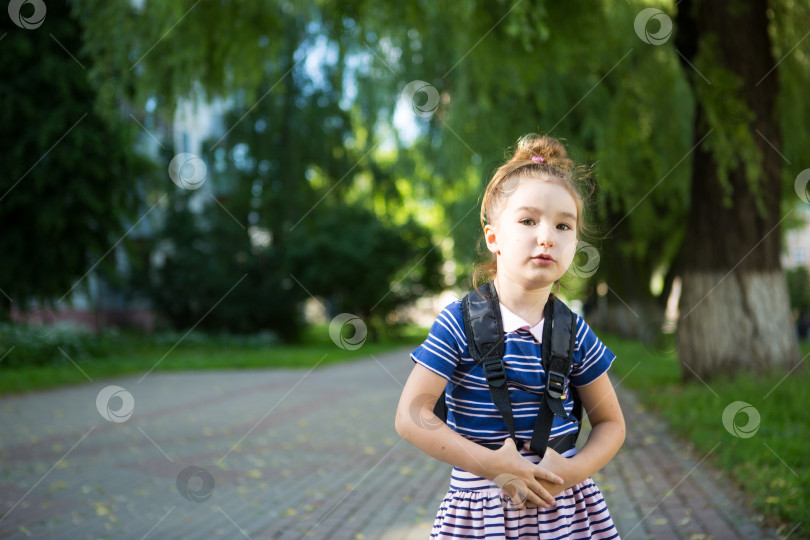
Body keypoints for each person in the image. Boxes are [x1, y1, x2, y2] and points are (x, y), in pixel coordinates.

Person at [395, 134, 625, 538]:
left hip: (561, 509)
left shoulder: (575, 332)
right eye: (528, 220)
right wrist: (492, 466)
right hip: (480, 515)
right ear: (493, 237)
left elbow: (610, 424)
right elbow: (412, 416)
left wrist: (574, 470)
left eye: (563, 225)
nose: (547, 236)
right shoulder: (458, 323)